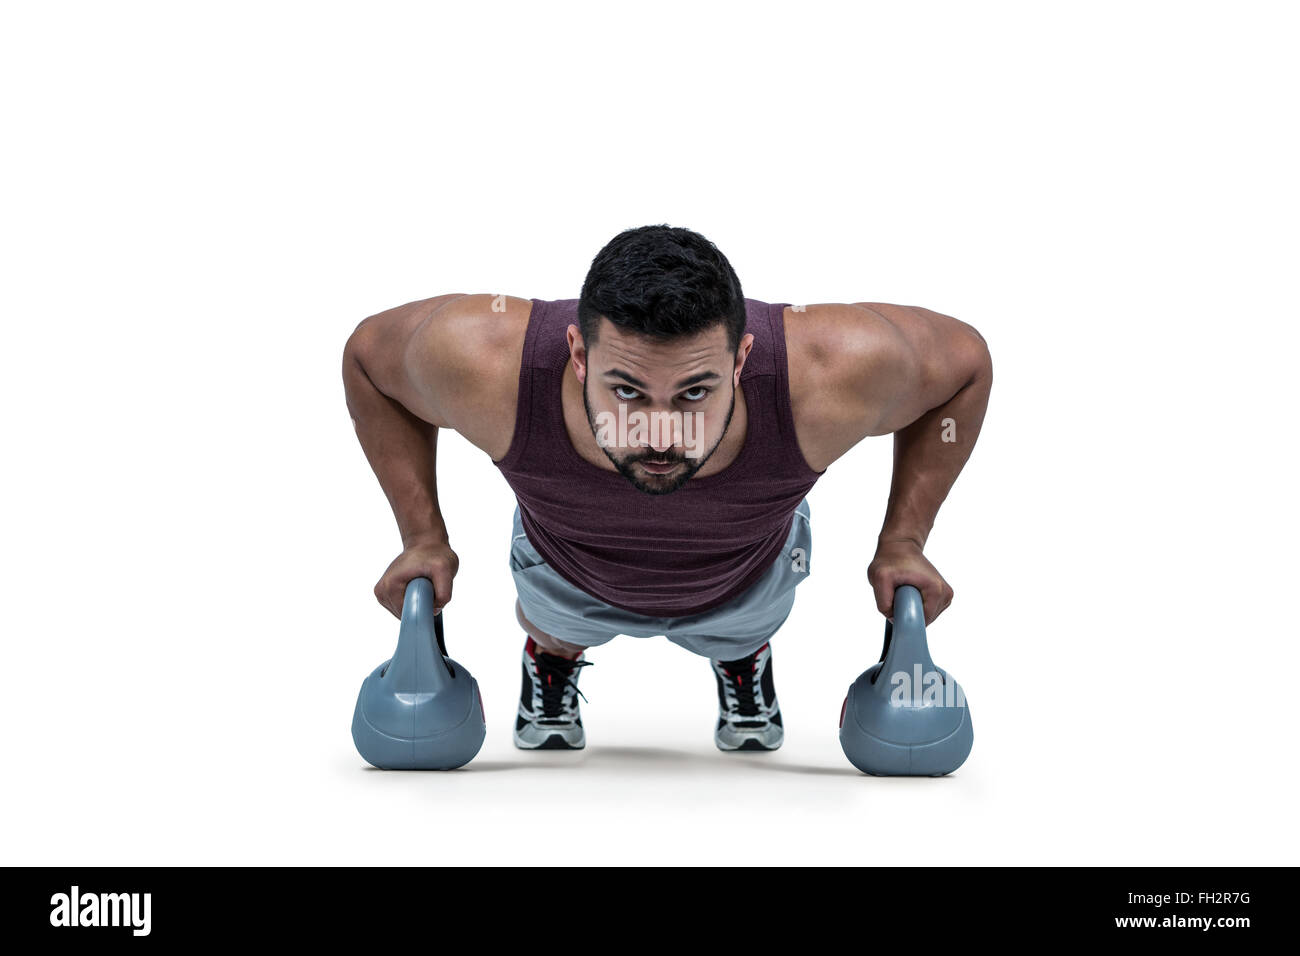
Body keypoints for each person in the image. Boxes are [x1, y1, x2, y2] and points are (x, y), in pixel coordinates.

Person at [342, 224, 993, 752]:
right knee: (556, 621)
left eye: (695, 391)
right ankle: (552, 659)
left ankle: (742, 660)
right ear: (578, 355)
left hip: (748, 577)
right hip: (564, 573)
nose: (661, 433)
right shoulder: (486, 365)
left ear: (742, 360)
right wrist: (421, 537)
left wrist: (904, 540)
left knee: (740, 627)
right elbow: (370, 361)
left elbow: (963, 368)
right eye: (628, 390)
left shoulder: (827, 375)